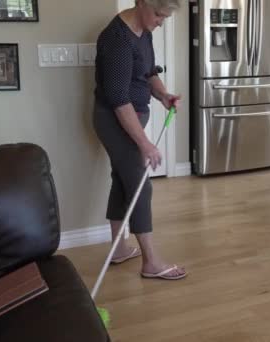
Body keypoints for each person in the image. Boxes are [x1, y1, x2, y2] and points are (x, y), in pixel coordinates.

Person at [93, 0, 186, 280]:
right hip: (116, 121)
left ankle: (119, 249)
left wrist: (163, 95)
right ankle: (151, 262)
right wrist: (145, 143)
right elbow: (120, 101)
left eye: (165, 16)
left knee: (122, 180)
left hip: (133, 116)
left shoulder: (143, 31)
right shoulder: (116, 39)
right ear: (141, 2)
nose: (161, 21)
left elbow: (149, 72)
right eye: (159, 14)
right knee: (140, 187)